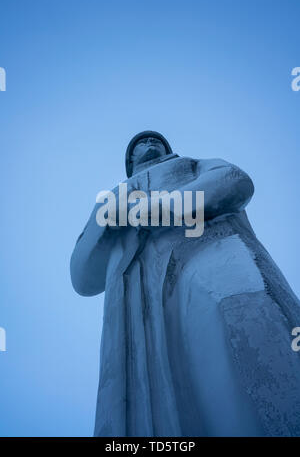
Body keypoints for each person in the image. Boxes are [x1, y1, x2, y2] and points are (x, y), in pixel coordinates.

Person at [71, 130, 300, 437]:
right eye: (140, 145)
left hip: (209, 250)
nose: (149, 145)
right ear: (130, 161)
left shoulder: (191, 165)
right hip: (142, 302)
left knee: (249, 330)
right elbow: (83, 277)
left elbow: (234, 180)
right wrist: (104, 219)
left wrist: (162, 208)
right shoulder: (113, 198)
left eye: (155, 141)